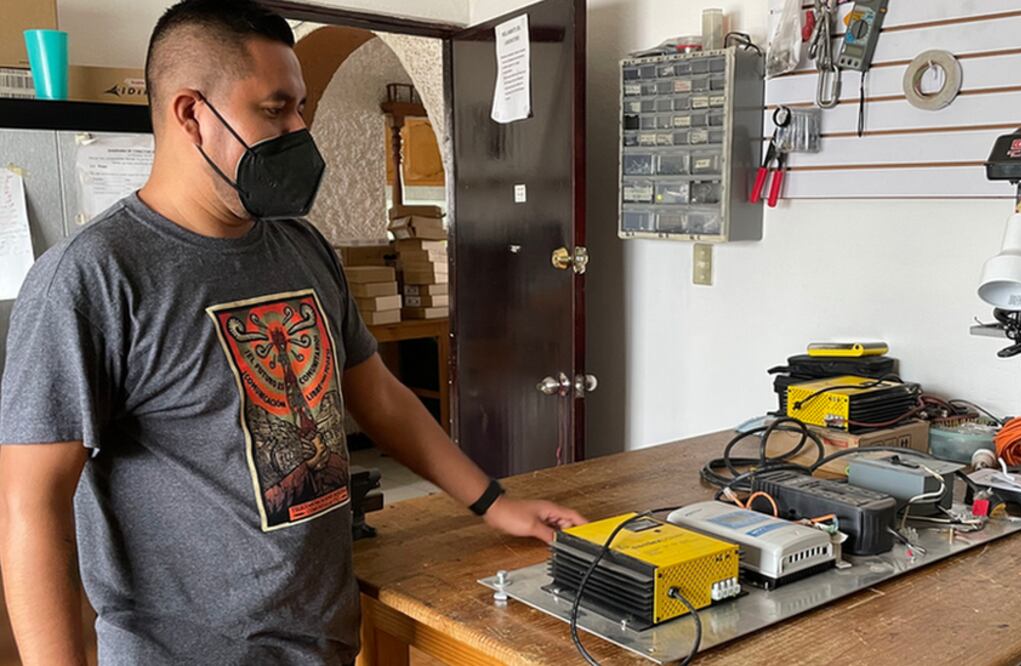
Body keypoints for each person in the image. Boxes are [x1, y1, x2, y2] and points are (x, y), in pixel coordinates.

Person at [0, 1, 586, 664]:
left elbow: (380, 397)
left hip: (323, 639)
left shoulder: (301, 247)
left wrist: (492, 501)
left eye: (301, 106)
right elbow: (32, 508)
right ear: (190, 113)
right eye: (275, 109)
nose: (301, 127)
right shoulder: (93, 278)